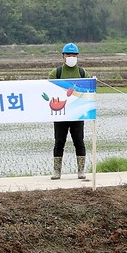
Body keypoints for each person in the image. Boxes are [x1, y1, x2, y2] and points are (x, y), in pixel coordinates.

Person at [48, 42, 88, 180]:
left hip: (77, 114)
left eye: (74, 55)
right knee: (59, 142)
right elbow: (50, 91)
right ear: (63, 57)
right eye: (68, 55)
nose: (71, 57)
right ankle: (56, 171)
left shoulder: (83, 73)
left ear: (77, 56)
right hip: (60, 114)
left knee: (79, 142)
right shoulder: (56, 73)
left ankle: (81, 170)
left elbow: (89, 92)